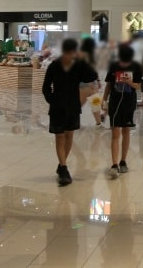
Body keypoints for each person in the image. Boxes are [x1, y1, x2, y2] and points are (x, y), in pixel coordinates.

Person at [42, 38, 98, 186]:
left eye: (72, 53)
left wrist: (83, 61)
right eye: (68, 53)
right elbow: (46, 87)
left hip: (73, 106)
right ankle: (64, 168)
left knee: (69, 137)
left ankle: (62, 166)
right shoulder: (54, 66)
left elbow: (92, 76)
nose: (70, 56)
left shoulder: (78, 66)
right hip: (58, 107)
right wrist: (52, 100)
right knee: (60, 137)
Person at [102, 44, 143, 179]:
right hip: (115, 101)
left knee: (126, 131)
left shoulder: (136, 67)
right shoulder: (114, 66)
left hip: (129, 102)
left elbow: (138, 86)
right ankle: (114, 164)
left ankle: (123, 161)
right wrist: (104, 99)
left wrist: (129, 82)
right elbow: (109, 84)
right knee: (115, 132)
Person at [80, 37, 104, 126]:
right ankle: (98, 123)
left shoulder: (82, 56)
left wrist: (98, 80)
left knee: (80, 105)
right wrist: (98, 81)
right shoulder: (91, 56)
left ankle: (98, 123)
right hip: (91, 83)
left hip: (85, 84)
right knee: (95, 104)